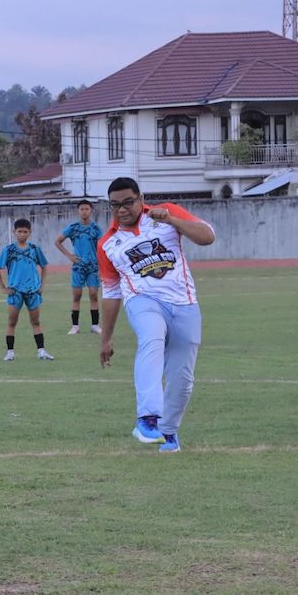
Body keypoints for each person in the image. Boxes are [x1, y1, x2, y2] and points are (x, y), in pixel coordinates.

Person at [97, 177, 215, 453]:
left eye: (127, 202)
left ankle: (168, 432)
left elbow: (207, 236)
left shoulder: (165, 212)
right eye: (115, 205)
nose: (122, 210)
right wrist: (106, 338)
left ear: (140, 198)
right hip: (142, 301)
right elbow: (112, 292)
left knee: (182, 379)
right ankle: (147, 417)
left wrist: (172, 220)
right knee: (151, 337)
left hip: (184, 304)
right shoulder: (107, 243)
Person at [0, 218, 54, 362]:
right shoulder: (9, 250)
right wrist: (3, 287)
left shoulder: (34, 249)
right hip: (15, 291)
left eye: (25, 231)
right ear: (14, 232)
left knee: (36, 321)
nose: (22, 234)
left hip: (32, 291)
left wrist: (42, 285)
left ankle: (41, 351)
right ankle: (10, 352)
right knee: (12, 321)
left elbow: (44, 266)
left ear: (30, 232)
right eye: (19, 231)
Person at [55, 200, 103, 334]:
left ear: (91, 211)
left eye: (87, 209)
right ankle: (75, 326)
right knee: (77, 296)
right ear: (78, 211)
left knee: (94, 295)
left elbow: (101, 248)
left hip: (93, 267)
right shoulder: (73, 228)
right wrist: (69, 255)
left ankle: (95, 325)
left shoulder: (96, 229)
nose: (84, 211)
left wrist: (101, 266)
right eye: (82, 209)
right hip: (78, 267)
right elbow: (57, 241)